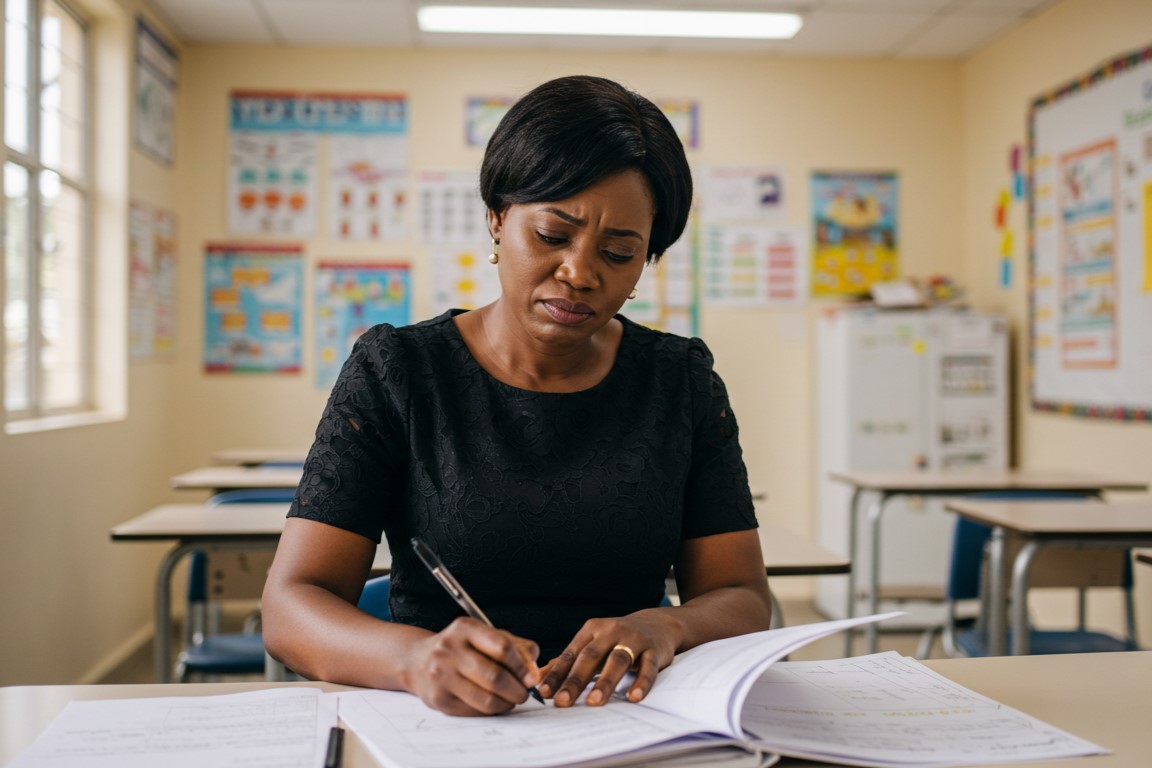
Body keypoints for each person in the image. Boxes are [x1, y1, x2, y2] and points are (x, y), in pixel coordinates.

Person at [262, 74, 773, 717]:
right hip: (437, 720)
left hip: (630, 720)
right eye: (553, 237)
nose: (581, 274)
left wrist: (665, 627)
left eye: (619, 253)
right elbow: (290, 605)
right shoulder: (399, 371)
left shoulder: (680, 381)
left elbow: (744, 596)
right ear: (498, 218)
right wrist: (415, 660)